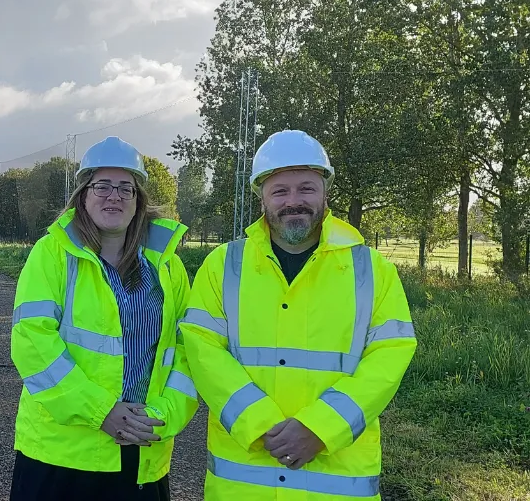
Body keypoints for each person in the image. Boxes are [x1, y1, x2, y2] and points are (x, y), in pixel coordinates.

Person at [179, 129, 418, 499]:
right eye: (280, 191)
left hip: (337, 482)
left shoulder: (371, 269)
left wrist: (321, 428)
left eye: (306, 188)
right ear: (262, 198)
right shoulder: (223, 265)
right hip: (243, 484)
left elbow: (390, 356)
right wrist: (259, 424)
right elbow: (202, 349)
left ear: (325, 192)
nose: (294, 201)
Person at [8, 136, 200, 501]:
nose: (114, 196)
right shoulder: (52, 254)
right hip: (61, 455)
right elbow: (32, 341)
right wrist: (102, 411)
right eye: (102, 186)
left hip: (142, 449)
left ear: (139, 201)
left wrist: (161, 416)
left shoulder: (168, 267)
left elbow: (187, 350)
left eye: (126, 188)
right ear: (83, 194)